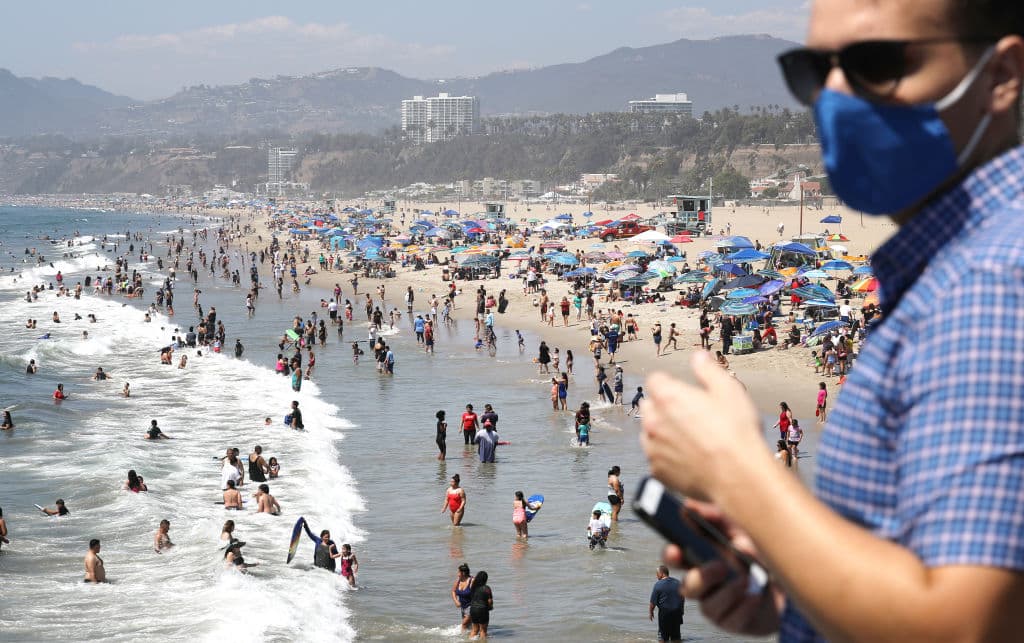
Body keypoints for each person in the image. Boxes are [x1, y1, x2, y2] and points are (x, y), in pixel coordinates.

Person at [643, 8, 1024, 621]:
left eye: (877, 63)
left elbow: (963, 627)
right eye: (816, 70)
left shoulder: (989, 285)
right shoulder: (951, 270)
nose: (837, 94)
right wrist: (797, 591)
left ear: (1001, 75)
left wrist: (735, 472)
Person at [649, 565, 684, 642]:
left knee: (663, 637)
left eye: (657, 574)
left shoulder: (658, 584)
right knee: (676, 637)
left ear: (661, 574)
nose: (656, 576)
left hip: (665, 614)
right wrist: (682, 612)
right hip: (677, 613)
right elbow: (682, 598)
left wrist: (651, 612)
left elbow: (652, 602)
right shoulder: (678, 583)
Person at [468, 570, 493, 640]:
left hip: (473, 609)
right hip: (482, 609)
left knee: (474, 630)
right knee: (483, 631)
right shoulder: (487, 588)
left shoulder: (473, 587)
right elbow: (490, 601)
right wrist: (490, 607)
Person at [452, 563, 474, 632]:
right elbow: (453, 591)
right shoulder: (458, 580)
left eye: (458, 572)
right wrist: (456, 601)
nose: (457, 573)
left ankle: (461, 638)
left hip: (472, 606)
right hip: (463, 607)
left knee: (464, 624)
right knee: (469, 626)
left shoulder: (472, 581)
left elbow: (479, 591)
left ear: (463, 573)